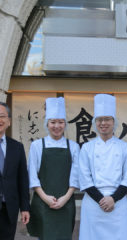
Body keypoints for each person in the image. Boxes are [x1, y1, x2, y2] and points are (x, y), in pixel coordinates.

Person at [78, 94, 127, 240]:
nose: (103, 123)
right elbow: (85, 178)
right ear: (94, 122)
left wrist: (113, 199)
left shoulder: (125, 148)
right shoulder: (86, 148)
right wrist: (101, 200)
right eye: (99, 120)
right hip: (93, 204)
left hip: (118, 204)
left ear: (114, 122)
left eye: (107, 119)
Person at [27, 97, 80, 240]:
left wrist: (65, 198)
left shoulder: (74, 147)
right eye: (53, 122)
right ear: (47, 124)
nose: (57, 126)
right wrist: (46, 198)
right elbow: (32, 175)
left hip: (66, 202)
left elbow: (75, 177)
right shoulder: (37, 145)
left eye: (61, 122)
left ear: (65, 124)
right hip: (42, 203)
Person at [0, 102, 30, 240]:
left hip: (9, 209)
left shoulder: (17, 147)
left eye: (2, 116)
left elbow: (23, 179)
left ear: (9, 121)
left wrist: (25, 208)